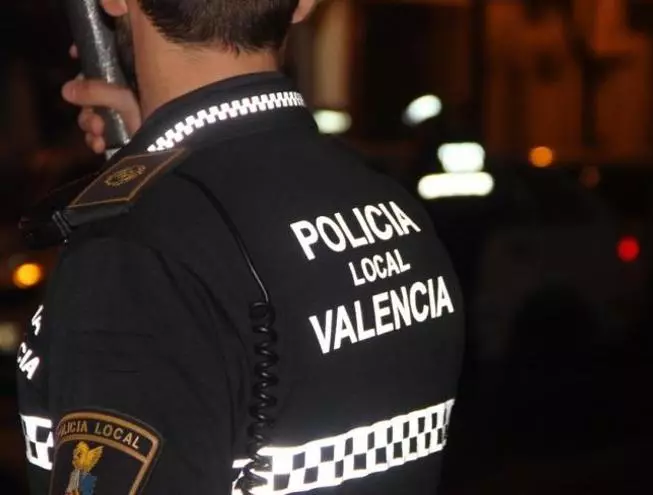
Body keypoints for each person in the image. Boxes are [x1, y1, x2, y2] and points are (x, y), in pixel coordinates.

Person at [16, 0, 465, 494]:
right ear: (304, 4)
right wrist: (154, 159)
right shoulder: (396, 209)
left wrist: (159, 192)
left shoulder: (132, 260)